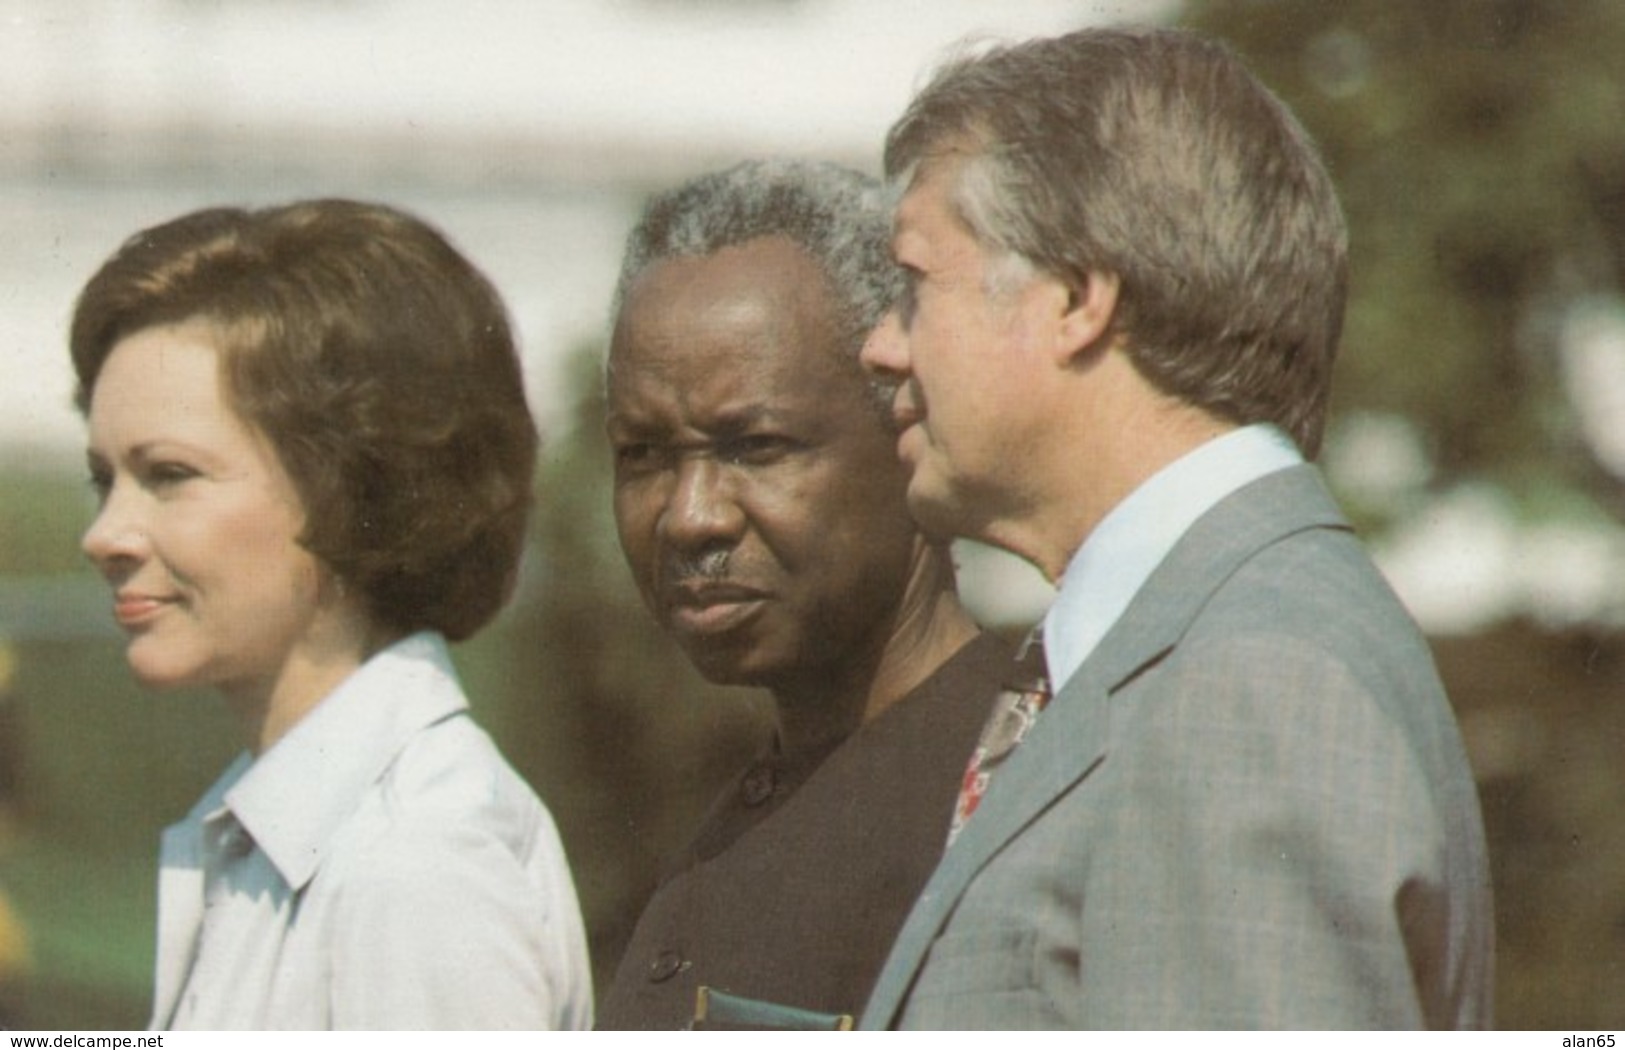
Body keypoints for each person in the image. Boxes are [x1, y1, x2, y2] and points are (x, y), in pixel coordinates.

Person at [858, 26, 1495, 1029]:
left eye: (912, 285)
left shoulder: (1247, 682)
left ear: (1072, 298)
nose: (881, 346)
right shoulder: (1197, 649)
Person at [71, 200, 593, 1030]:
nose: (104, 535)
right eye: (106, 481)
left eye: (168, 474)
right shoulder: (282, 835)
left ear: (357, 486)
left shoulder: (414, 863)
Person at [596, 160, 1012, 1029]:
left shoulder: (1008, 801)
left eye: (754, 446)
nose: (689, 517)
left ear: (910, 426)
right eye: (642, 454)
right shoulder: (755, 801)